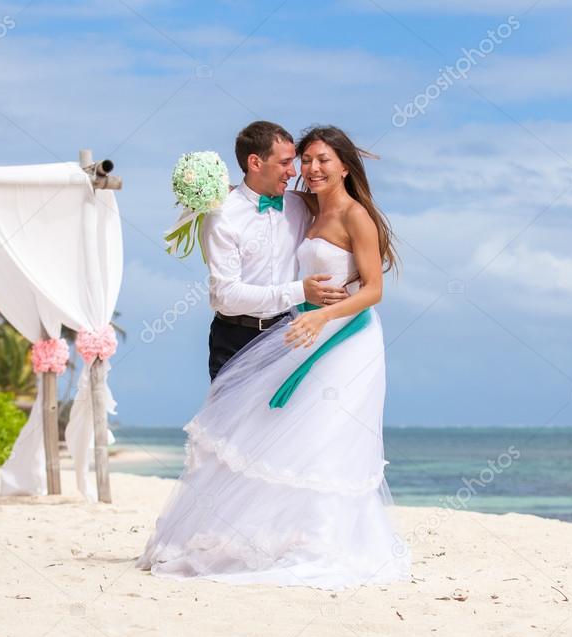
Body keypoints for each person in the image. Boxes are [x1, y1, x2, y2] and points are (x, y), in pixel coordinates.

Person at [135, 126, 411, 590]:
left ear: (344, 164)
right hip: (266, 333)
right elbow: (225, 295)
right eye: (298, 162)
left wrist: (320, 317)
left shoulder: (319, 207)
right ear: (254, 165)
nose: (304, 170)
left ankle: (319, 541)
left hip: (330, 336)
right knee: (242, 438)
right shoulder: (244, 213)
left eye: (315, 160)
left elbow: (373, 289)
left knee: (319, 436)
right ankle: (230, 535)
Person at [204, 120, 348, 381]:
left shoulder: (300, 206)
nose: (293, 173)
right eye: (284, 163)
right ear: (255, 163)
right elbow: (226, 296)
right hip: (235, 341)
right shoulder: (222, 216)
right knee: (233, 423)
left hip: (288, 336)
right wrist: (300, 291)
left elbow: (343, 209)